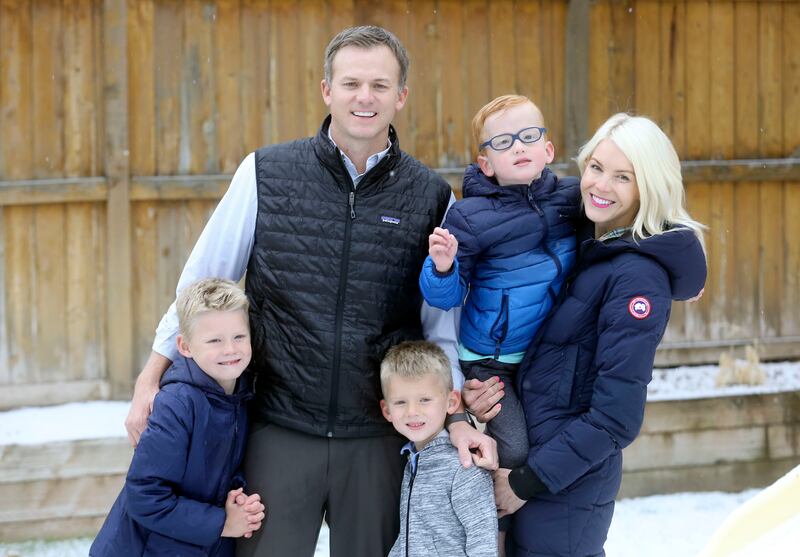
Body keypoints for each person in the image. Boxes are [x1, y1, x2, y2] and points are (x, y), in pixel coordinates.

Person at [123, 25, 497, 557]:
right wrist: (148, 379)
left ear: (401, 96)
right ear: (326, 90)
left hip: (376, 432)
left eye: (379, 85)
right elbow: (199, 285)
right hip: (279, 425)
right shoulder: (266, 173)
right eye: (350, 84)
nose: (364, 97)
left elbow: (441, 325)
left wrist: (455, 415)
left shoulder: (432, 196)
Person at [469, 113, 708, 556]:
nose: (601, 185)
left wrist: (528, 480)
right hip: (535, 468)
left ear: (648, 187)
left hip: (564, 489)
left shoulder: (637, 277)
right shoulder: (591, 244)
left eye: (623, 177)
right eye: (596, 168)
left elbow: (616, 417)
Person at [419, 94, 580, 471]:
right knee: (514, 449)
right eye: (503, 142)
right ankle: (495, 524)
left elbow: (625, 216)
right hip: (491, 361)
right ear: (486, 164)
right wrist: (442, 269)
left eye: (528, 136)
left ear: (549, 149)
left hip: (546, 350)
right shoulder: (470, 217)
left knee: (554, 441)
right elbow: (446, 298)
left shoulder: (573, 199)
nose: (519, 146)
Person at [91, 278, 264, 557]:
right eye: (214, 340)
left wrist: (236, 493)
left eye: (238, 337)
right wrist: (222, 522)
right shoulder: (177, 405)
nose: (230, 349)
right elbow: (145, 496)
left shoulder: (242, 397)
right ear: (184, 347)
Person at [380, 341, 498, 557]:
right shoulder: (413, 462)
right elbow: (411, 536)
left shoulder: (463, 467)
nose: (412, 411)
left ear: (451, 402)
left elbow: (483, 539)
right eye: (400, 402)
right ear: (386, 410)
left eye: (425, 400)